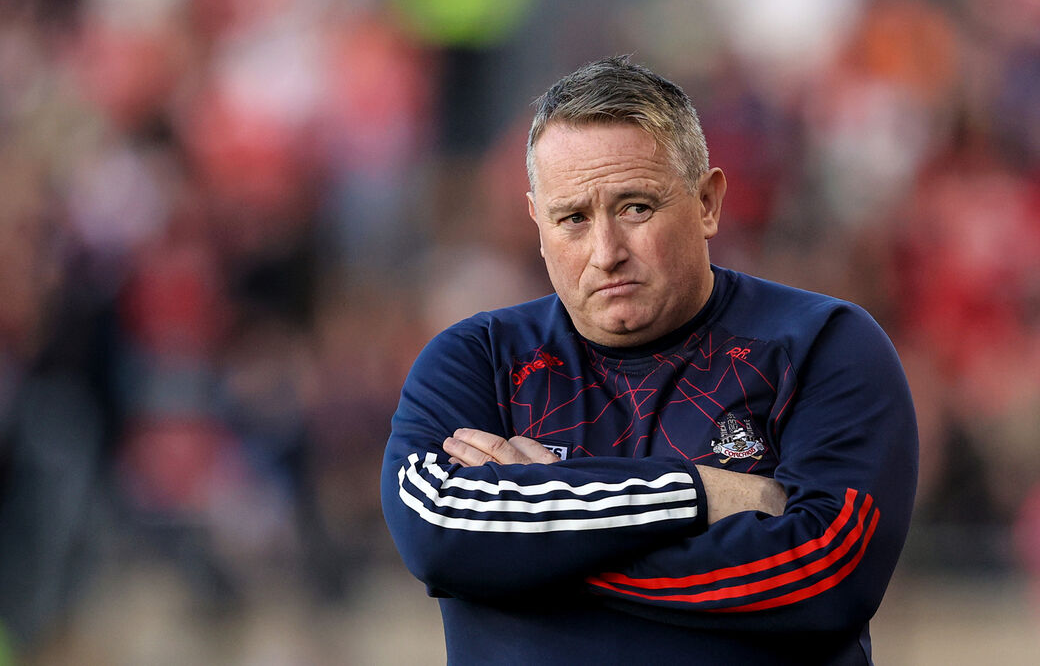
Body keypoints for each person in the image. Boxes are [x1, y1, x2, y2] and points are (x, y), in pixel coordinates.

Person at [380, 56, 918, 665]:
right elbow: (438, 533)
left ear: (709, 202)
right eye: (573, 218)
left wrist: (537, 525)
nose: (606, 252)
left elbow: (824, 578)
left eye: (635, 207)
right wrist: (698, 494)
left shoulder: (825, 345)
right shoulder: (474, 360)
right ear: (537, 224)